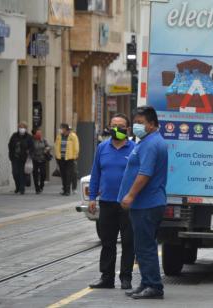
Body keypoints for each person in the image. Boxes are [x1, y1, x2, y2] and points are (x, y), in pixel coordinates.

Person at [118, 106, 167, 300]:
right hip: (146, 203)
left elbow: (145, 173)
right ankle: (146, 282)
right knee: (142, 245)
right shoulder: (147, 141)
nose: (136, 126)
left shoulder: (150, 144)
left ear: (152, 124)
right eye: (135, 122)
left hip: (147, 203)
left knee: (145, 246)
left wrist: (130, 195)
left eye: (141, 122)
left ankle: (154, 286)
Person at [88, 114, 136, 291]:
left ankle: (126, 278)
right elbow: (96, 173)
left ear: (128, 129)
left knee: (128, 241)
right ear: (109, 127)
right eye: (113, 125)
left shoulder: (135, 148)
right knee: (107, 242)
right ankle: (107, 278)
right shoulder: (102, 147)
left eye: (121, 125)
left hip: (127, 203)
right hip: (107, 202)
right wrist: (93, 197)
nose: (117, 128)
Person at [8, 121, 33, 195]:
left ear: (26, 128)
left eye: (23, 127)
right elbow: (9, 145)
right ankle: (18, 186)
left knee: (22, 174)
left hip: (24, 158)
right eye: (20, 127)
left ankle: (22, 189)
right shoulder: (14, 135)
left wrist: (29, 153)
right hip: (15, 157)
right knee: (15, 173)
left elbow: (32, 147)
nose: (21, 128)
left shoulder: (28, 137)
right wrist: (11, 154)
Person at [54, 123, 79, 196]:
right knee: (63, 175)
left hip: (69, 158)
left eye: (61, 128)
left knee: (68, 174)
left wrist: (74, 156)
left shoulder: (73, 136)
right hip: (60, 158)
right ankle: (64, 189)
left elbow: (76, 147)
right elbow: (56, 146)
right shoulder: (59, 136)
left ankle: (67, 190)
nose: (60, 130)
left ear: (65, 129)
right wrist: (57, 155)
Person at [31, 128, 51, 194]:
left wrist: (46, 149)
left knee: (43, 173)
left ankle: (41, 185)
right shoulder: (32, 140)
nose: (40, 134)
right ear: (34, 134)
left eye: (40, 133)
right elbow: (29, 148)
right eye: (38, 133)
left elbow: (48, 146)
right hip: (35, 159)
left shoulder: (43, 140)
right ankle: (37, 188)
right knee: (35, 174)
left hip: (43, 158)